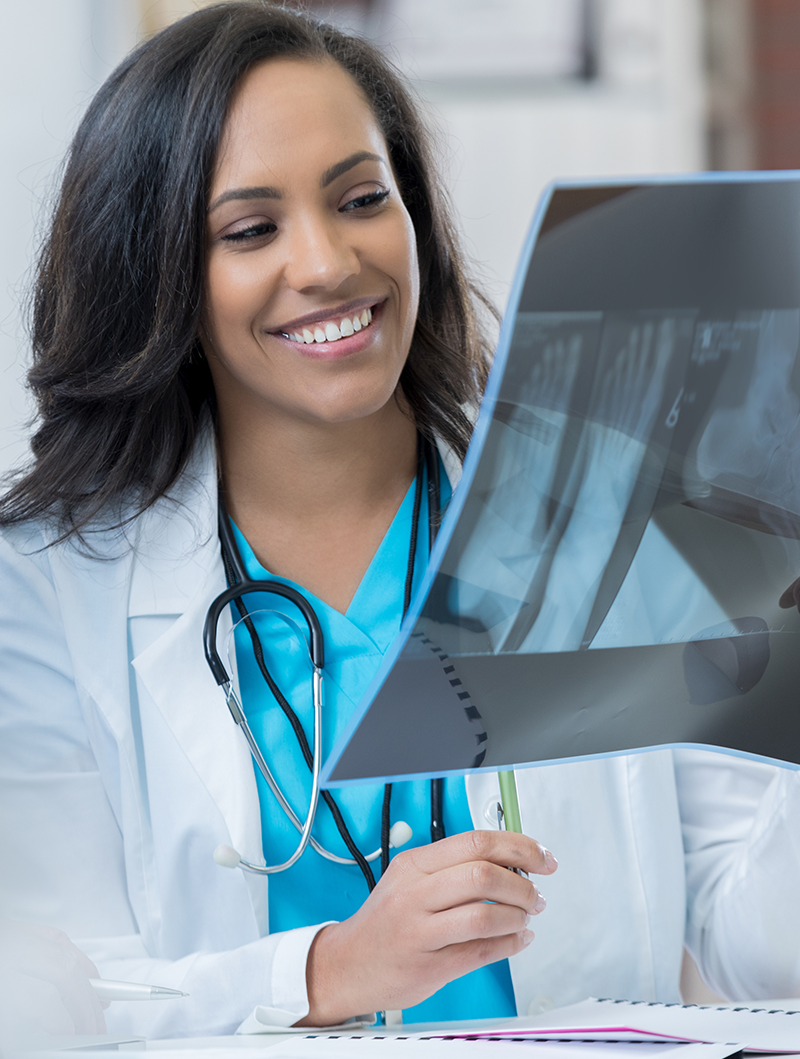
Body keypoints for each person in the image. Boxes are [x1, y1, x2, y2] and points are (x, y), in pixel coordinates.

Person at [1, 0, 799, 1042]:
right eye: (250, 230)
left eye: (361, 198)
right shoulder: (48, 585)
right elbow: (51, 1000)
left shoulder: (611, 513)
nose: (328, 262)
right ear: (156, 278)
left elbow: (748, 953)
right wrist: (332, 969)